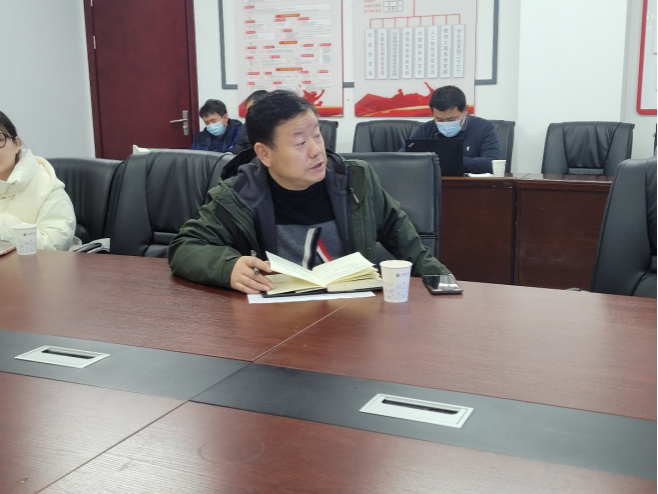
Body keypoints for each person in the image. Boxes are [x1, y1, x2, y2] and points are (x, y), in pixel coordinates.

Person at [168, 90, 451, 294]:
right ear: (264, 153)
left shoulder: (356, 181)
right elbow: (185, 247)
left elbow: (410, 247)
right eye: (300, 143)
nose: (317, 151)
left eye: (317, 135)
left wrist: (445, 286)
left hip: (352, 318)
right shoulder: (238, 196)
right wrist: (227, 267)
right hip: (272, 326)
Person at [0, 111, 76, 250]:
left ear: (16, 144)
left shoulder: (46, 186)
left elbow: (56, 244)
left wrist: (3, 224)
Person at [404, 86, 502, 174]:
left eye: (451, 119)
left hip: (470, 185)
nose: (445, 123)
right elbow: (402, 158)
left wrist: (450, 161)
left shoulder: (484, 128)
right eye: (439, 119)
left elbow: (493, 163)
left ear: (465, 110)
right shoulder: (425, 129)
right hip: (430, 185)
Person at [233, 90, 269, 155]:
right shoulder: (245, 127)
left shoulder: (279, 128)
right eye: (248, 112)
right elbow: (238, 154)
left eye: (253, 111)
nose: (250, 116)